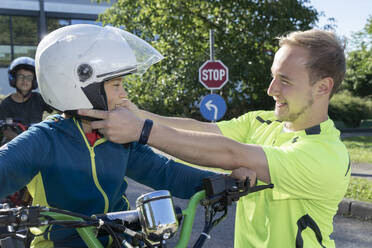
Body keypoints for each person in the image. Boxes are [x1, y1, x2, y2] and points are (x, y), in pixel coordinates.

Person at [79, 29, 351, 248]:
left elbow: (230, 153)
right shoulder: (263, 121)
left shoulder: (325, 154)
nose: (271, 90)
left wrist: (142, 131)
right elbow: (204, 132)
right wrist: (141, 116)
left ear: (322, 87)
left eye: (285, 80)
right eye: (272, 77)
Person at [0, 24, 253, 248]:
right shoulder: (44, 140)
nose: (124, 95)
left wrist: (219, 181)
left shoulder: (118, 136)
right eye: (116, 85)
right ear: (79, 87)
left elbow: (165, 171)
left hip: (120, 239)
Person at [0, 56, 53, 143]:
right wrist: (25, 142)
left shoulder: (38, 98)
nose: (25, 81)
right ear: (14, 79)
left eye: (29, 77)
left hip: (37, 141)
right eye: (21, 76)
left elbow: (57, 110)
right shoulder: (6, 104)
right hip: (14, 144)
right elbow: (6, 131)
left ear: (34, 81)